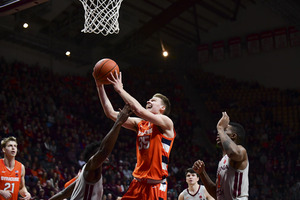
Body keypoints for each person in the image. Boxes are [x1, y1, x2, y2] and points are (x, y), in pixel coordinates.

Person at [94, 71, 176, 200]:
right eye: (149, 99)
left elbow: (138, 110)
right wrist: (99, 86)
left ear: (162, 108)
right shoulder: (140, 123)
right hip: (137, 184)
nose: (149, 101)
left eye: (153, 100)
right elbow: (110, 113)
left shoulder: (166, 122)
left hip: (155, 187)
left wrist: (120, 90)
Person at [49, 104, 131, 200]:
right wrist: (118, 122)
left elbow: (64, 193)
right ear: (93, 155)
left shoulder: (84, 174)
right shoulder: (92, 167)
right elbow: (103, 150)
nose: (107, 156)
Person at [193, 112, 249, 200]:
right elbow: (216, 193)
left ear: (233, 136)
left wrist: (220, 127)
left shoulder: (241, 150)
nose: (219, 132)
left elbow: (233, 153)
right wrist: (202, 173)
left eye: (225, 130)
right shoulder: (222, 160)